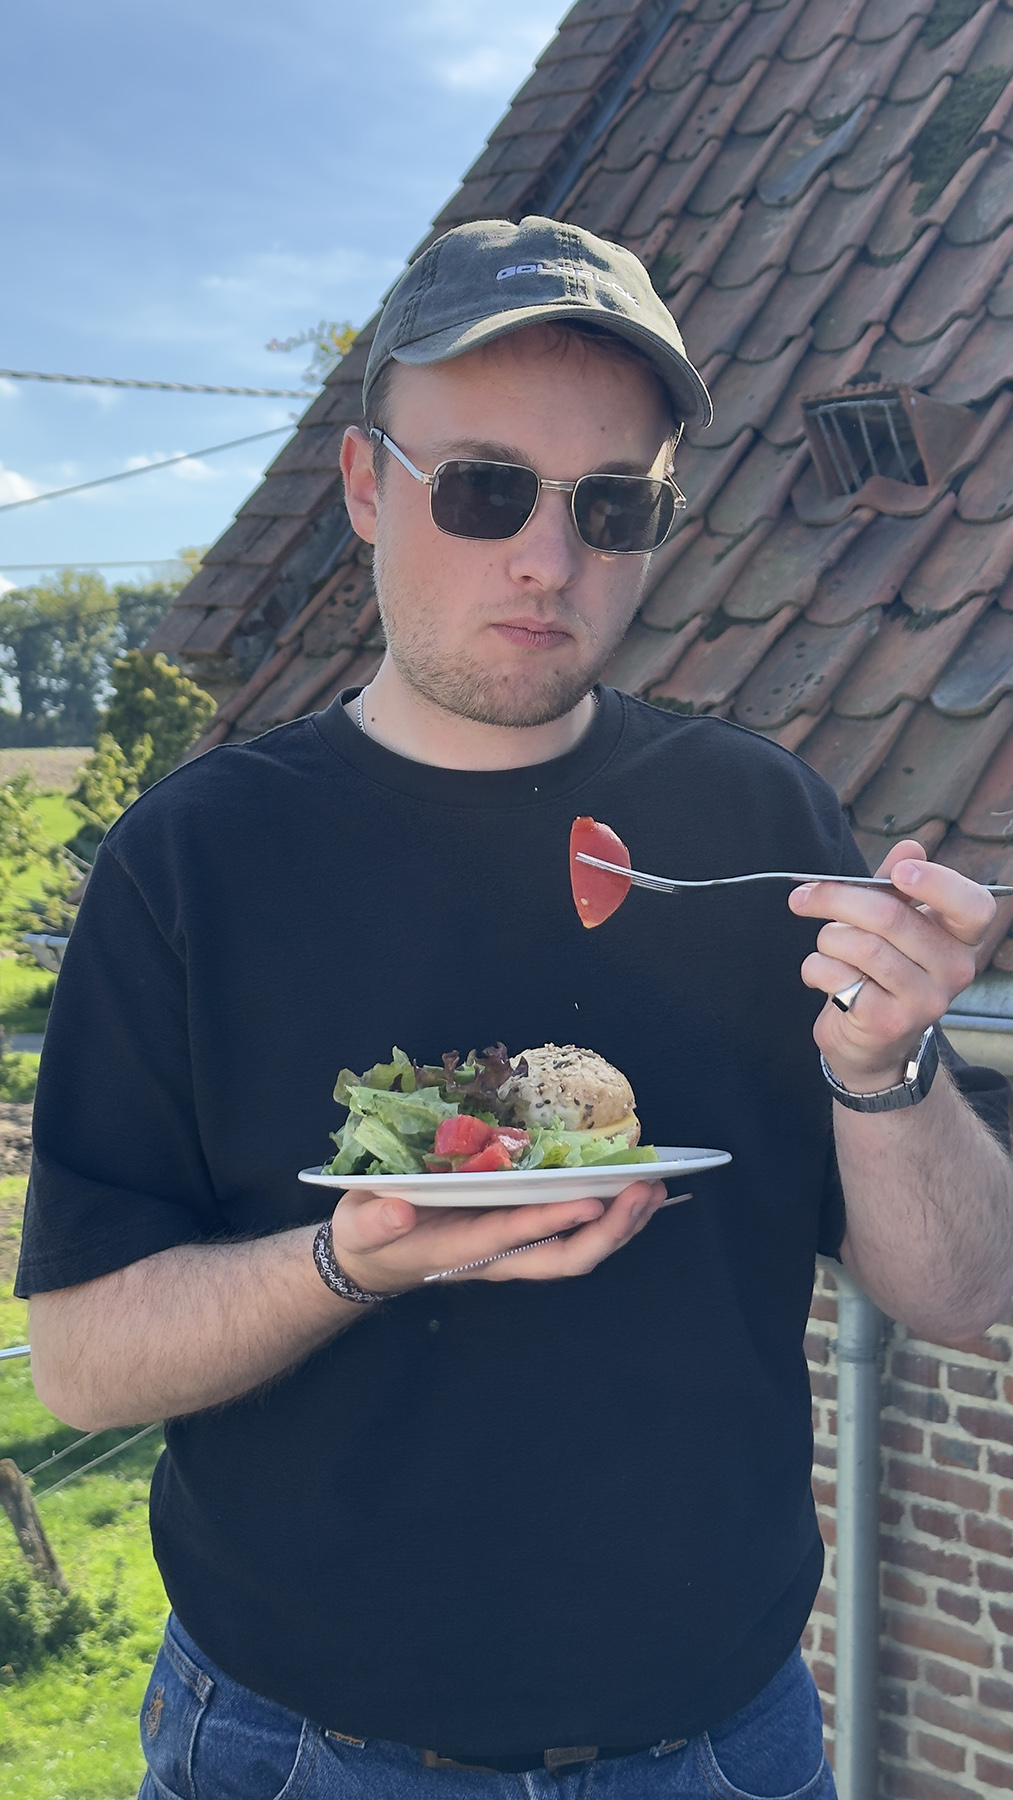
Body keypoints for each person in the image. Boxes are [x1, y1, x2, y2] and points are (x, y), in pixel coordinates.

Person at [17, 216, 1013, 1800]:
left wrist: (886, 1069)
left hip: (717, 1744)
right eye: (484, 489)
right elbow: (78, 1364)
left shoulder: (759, 824)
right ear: (366, 487)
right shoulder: (195, 858)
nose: (548, 559)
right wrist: (347, 1260)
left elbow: (961, 1292)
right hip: (298, 1746)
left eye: (611, 505)